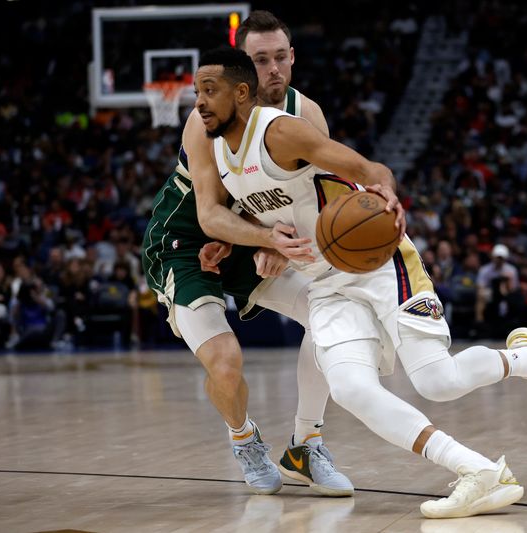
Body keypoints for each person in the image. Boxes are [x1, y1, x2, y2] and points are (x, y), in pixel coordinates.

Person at [194, 47, 527, 518]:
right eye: (197, 91)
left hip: (377, 265)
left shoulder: (279, 131)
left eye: (209, 90)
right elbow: (257, 209)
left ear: (241, 93)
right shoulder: (220, 151)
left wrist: (385, 191)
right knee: (348, 387)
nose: (199, 102)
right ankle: (476, 471)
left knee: (437, 381)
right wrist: (244, 245)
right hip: (323, 283)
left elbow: (368, 169)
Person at [141, 11, 353, 496]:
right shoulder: (205, 119)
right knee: (225, 360)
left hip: (255, 237)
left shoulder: (307, 114)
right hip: (187, 242)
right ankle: (243, 438)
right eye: (260, 60)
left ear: (293, 57)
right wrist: (264, 237)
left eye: (281, 57)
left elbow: (318, 198)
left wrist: (275, 236)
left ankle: (305, 444)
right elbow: (211, 215)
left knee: (331, 316)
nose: (273, 69)